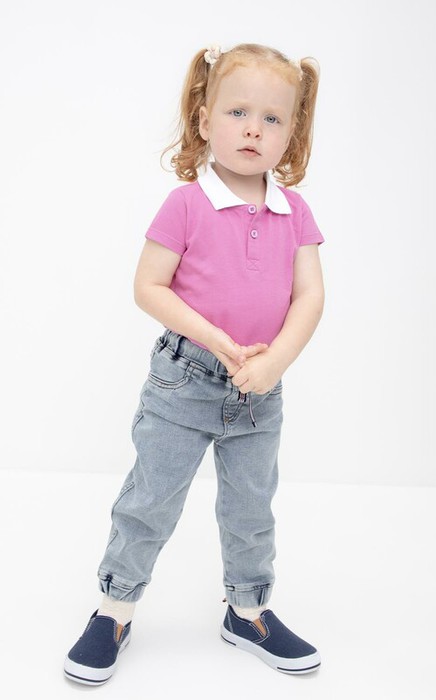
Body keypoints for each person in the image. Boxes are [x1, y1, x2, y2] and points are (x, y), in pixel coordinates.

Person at [64, 42, 325, 685]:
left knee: (251, 510)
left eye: (272, 118)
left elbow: (310, 296)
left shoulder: (294, 212)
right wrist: (215, 338)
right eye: (238, 112)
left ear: (291, 133)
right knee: (150, 500)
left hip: (259, 389)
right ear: (205, 120)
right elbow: (148, 287)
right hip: (184, 381)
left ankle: (248, 611)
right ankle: (114, 610)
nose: (254, 130)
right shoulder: (186, 203)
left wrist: (274, 362)